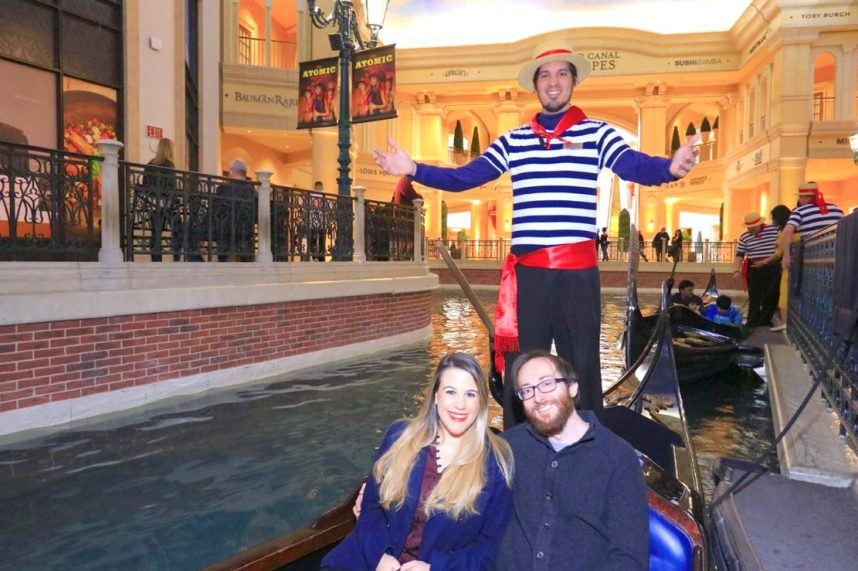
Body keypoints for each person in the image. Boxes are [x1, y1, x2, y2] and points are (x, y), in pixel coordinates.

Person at [371, 40, 700, 424]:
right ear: (536, 85)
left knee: (582, 362)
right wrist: (414, 168)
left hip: (578, 275)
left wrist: (669, 168)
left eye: (562, 73)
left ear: (573, 82)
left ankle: (587, 440)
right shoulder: (514, 140)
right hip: (528, 277)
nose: (554, 81)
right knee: (522, 363)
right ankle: (519, 444)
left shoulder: (598, 134)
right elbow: (466, 176)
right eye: (545, 75)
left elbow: (632, 165)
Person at [321, 353, 514, 571]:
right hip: (367, 560)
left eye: (470, 394)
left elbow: (490, 546)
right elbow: (370, 508)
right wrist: (380, 556)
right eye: (450, 392)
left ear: (480, 402)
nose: (460, 404)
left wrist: (435, 568)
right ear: (436, 396)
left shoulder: (496, 462)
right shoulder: (399, 437)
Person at [495, 350, 648, 570]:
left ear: (572, 387)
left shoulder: (617, 456)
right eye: (527, 391)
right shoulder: (508, 446)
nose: (538, 397)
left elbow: (629, 557)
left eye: (547, 384)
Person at [780, 181, 844, 270]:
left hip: (811, 258)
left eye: (800, 197)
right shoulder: (837, 209)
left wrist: (786, 256)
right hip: (836, 256)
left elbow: (787, 232)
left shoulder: (799, 211)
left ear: (804, 197)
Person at [733, 211, 781, 327]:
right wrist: (736, 270)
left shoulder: (774, 231)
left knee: (771, 294)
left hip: (771, 267)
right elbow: (740, 254)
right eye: (748, 228)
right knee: (754, 296)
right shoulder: (745, 236)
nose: (750, 230)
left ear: (759, 224)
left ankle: (765, 320)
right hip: (754, 268)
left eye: (752, 228)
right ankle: (752, 321)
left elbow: (780, 247)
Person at [215, 158, 256, 262]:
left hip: (226, 231)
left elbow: (217, 211)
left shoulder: (223, 189)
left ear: (232, 172)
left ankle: (222, 260)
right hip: (246, 231)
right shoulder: (253, 191)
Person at [142, 138, 176, 262]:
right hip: (165, 204)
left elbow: (145, 183)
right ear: (169, 149)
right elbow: (172, 187)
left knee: (155, 232)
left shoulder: (150, 164)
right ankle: (177, 258)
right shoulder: (169, 165)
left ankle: (156, 260)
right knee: (179, 229)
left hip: (153, 204)